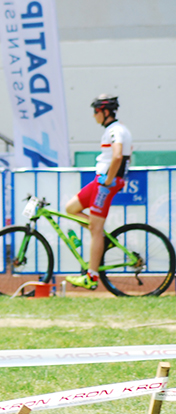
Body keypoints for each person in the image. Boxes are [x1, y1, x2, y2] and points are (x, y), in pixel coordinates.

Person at [64, 95, 132, 291]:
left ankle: (91, 277)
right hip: (99, 181)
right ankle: (102, 239)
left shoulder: (116, 130)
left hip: (104, 183)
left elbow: (118, 156)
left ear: (105, 112)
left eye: (96, 112)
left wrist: (109, 180)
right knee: (71, 208)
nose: (94, 116)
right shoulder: (114, 130)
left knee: (94, 229)